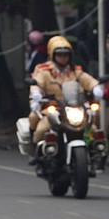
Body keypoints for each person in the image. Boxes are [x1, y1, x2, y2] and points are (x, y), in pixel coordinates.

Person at [28, 35, 102, 171]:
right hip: (53, 109)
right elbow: (36, 83)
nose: (63, 58)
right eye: (60, 55)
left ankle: (95, 153)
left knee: (92, 128)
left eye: (66, 55)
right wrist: (36, 94)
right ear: (53, 55)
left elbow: (87, 79)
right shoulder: (43, 70)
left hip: (73, 107)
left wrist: (95, 87)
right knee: (40, 128)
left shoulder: (75, 70)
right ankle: (36, 153)